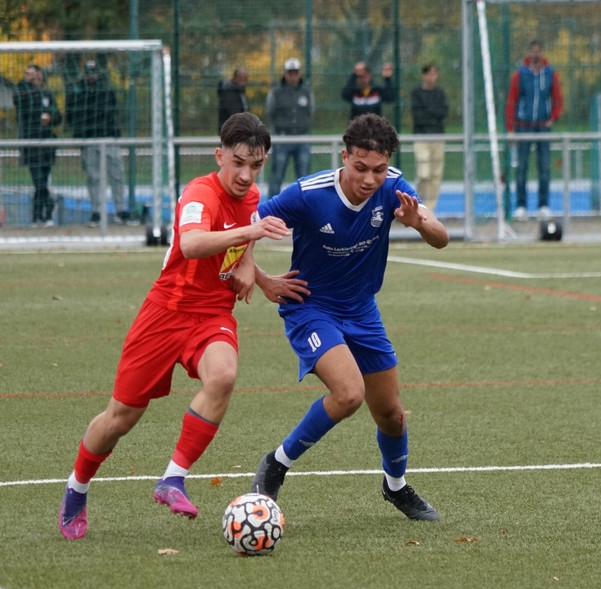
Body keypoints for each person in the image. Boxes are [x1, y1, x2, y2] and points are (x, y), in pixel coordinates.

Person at [58, 113, 309, 540]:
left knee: (223, 375)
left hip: (212, 314)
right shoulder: (199, 194)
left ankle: (173, 478)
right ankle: (77, 487)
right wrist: (250, 234)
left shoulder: (250, 197)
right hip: (165, 314)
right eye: (238, 163)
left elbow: (240, 237)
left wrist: (259, 275)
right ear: (219, 156)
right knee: (121, 417)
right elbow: (192, 244)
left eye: (256, 165)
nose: (246, 175)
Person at [250, 113, 449, 521]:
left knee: (391, 415)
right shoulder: (308, 194)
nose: (370, 179)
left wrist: (418, 223)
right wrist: (262, 279)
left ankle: (395, 487)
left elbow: (441, 237)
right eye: (361, 167)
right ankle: (276, 464)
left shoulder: (395, 186)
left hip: (362, 310)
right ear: (344, 157)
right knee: (348, 394)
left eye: (379, 169)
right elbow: (241, 228)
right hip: (311, 308)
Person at [65, 60, 130, 226]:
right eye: (89, 73)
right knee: (93, 177)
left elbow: (113, 112)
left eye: (94, 73)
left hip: (108, 137)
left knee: (117, 175)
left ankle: (121, 210)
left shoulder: (107, 89)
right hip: (88, 138)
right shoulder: (77, 90)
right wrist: (80, 134)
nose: (91, 76)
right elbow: (71, 114)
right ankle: (97, 212)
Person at [505, 39, 562, 222]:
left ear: (542, 53)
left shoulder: (550, 73)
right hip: (523, 126)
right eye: (533, 51)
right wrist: (510, 128)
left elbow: (558, 99)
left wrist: (552, 118)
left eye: (538, 51)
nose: (535, 54)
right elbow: (511, 101)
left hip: (543, 127)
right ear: (529, 53)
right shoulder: (520, 74)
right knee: (521, 167)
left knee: (544, 167)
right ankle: (521, 207)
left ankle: (543, 206)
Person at [13, 64, 62, 227]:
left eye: (36, 74)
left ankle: (38, 217)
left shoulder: (48, 94)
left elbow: (58, 116)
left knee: (42, 181)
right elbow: (17, 99)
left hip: (47, 144)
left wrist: (50, 118)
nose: (35, 77)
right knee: (39, 181)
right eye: (30, 74)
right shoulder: (23, 93)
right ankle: (48, 207)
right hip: (30, 144)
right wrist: (25, 81)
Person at [265, 57, 314, 198]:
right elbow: (270, 111)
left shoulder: (306, 92)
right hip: (282, 139)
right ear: (285, 74)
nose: (293, 76)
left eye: (295, 73)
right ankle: (272, 204)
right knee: (277, 175)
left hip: (302, 138)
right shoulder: (276, 92)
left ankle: (305, 204)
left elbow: (310, 111)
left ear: (299, 74)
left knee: (304, 177)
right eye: (290, 73)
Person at [410, 62, 449, 212]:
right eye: (429, 74)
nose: (432, 77)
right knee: (424, 173)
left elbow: (443, 113)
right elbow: (418, 116)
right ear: (424, 75)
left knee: (435, 175)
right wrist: (433, 113)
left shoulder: (440, 93)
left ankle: (430, 209)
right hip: (421, 137)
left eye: (434, 74)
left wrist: (429, 111)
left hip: (438, 137)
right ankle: (418, 204)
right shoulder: (417, 93)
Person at [217, 67, 250, 133]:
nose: (243, 80)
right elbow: (234, 113)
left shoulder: (239, 91)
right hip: (232, 130)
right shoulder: (229, 92)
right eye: (240, 77)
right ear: (234, 78)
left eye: (245, 78)